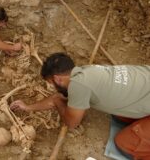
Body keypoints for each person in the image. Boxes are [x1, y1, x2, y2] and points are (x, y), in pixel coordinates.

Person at [10, 52, 150, 159]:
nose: (51, 87)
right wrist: (27, 107)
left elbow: (71, 123)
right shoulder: (85, 71)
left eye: (50, 83)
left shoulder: (78, 85)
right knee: (120, 116)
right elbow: (56, 98)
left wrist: (58, 101)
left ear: (57, 78)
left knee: (124, 144)